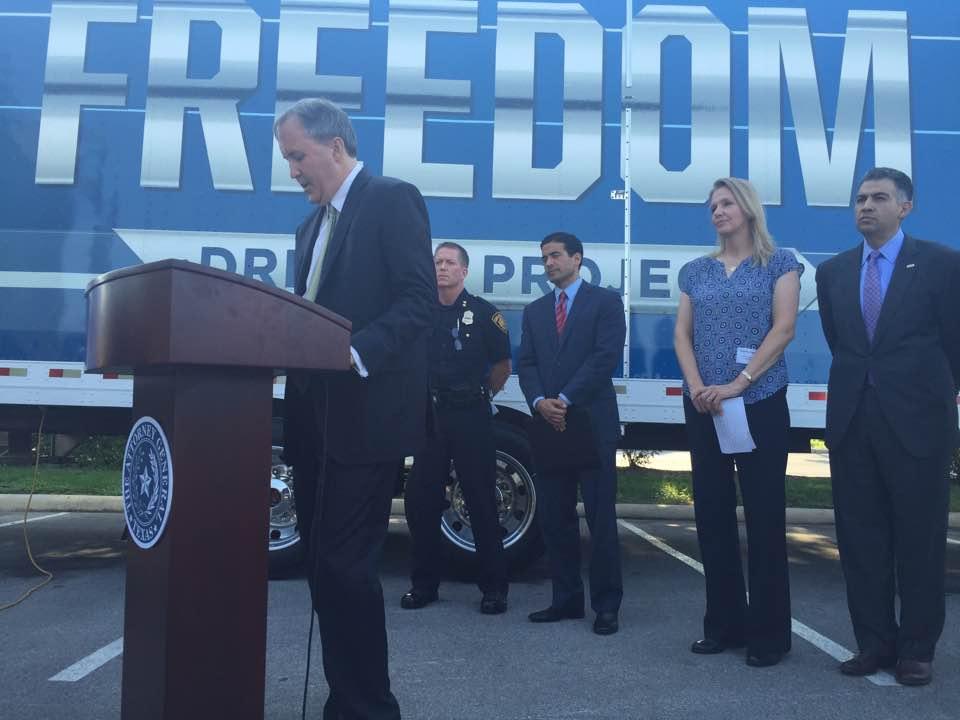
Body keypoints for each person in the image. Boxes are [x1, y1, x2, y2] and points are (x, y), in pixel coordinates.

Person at [276, 98, 436, 719]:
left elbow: (418, 302)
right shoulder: (308, 227)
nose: (292, 170)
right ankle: (347, 699)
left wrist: (355, 351)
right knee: (322, 566)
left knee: (346, 566)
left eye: (297, 155)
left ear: (334, 146)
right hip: (315, 421)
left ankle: (371, 708)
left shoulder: (392, 199)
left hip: (367, 420)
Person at [815, 167, 960, 686]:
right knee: (860, 540)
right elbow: (844, 345)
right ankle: (874, 642)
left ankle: (917, 649)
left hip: (919, 424)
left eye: (879, 198)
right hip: (854, 423)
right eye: (859, 198)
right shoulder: (832, 272)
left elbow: (954, 343)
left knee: (919, 541)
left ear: (906, 206)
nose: (866, 206)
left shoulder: (942, 265)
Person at [673, 177, 802, 668]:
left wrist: (738, 384)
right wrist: (697, 386)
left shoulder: (780, 263)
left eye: (726, 203)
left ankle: (769, 636)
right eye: (712, 206)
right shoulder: (696, 272)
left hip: (760, 401)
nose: (718, 212)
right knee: (711, 516)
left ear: (748, 209)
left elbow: (784, 328)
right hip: (705, 405)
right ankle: (722, 625)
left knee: (765, 518)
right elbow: (683, 335)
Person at [517, 232, 626, 635]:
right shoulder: (535, 311)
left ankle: (607, 606)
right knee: (554, 518)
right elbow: (525, 362)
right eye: (544, 257)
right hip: (549, 423)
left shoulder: (606, 303)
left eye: (556, 256)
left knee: (600, 519)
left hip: (590, 422)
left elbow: (605, 357)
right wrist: (539, 402)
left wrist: (564, 397)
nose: (549, 263)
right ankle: (565, 601)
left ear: (578, 259)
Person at [401, 242, 512, 614]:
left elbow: (502, 366)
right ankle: (424, 585)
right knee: (421, 501)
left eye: (450, 263)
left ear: (464, 271)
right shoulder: (418, 313)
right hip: (431, 417)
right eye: (437, 262)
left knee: (481, 500)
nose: (442, 268)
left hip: (471, 416)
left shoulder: (483, 314)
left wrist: (479, 395)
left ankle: (494, 589)